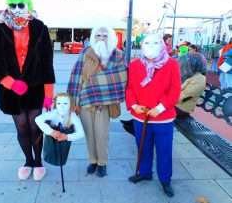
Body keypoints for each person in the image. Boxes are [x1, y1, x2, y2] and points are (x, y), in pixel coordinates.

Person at [0, 0, 55, 181]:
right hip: (12, 90)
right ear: (8, 6)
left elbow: (47, 62)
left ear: (28, 6)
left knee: (36, 127)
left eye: (20, 5)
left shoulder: (40, 28)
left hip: (35, 87)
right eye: (13, 5)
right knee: (22, 128)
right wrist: (9, 82)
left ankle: (39, 162)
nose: (16, 9)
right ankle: (28, 161)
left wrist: (49, 93)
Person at [125, 34, 181, 197]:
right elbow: (129, 88)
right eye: (147, 43)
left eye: (155, 43)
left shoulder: (171, 64)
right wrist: (134, 105)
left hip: (163, 118)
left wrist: (161, 107)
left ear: (162, 45)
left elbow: (175, 90)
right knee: (143, 146)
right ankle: (144, 172)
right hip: (140, 116)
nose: (151, 46)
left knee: (164, 150)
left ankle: (165, 179)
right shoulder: (135, 64)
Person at [67, 25, 127, 177]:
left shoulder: (118, 55)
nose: (101, 38)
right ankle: (92, 161)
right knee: (89, 134)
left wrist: (93, 83)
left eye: (105, 36)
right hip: (85, 102)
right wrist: (73, 101)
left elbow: (121, 79)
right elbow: (76, 77)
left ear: (111, 38)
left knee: (102, 134)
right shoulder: (85, 53)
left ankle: (102, 163)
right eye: (98, 35)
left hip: (104, 104)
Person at [176, 53, 206, 118]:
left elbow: (182, 98)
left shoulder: (199, 80)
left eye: (183, 65)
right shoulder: (190, 75)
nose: (180, 67)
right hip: (176, 104)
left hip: (181, 108)